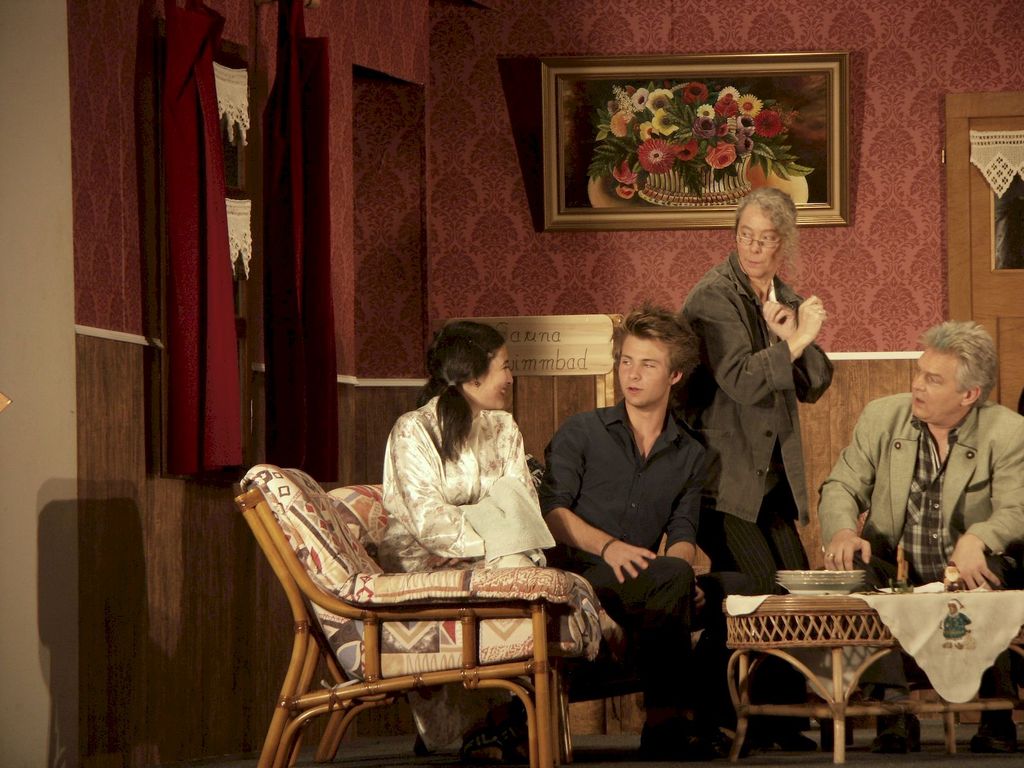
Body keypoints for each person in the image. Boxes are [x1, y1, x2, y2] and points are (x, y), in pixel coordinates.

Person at [539, 304, 742, 761]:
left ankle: (709, 719)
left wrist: (684, 576)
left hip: (650, 579)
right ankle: (665, 723)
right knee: (669, 577)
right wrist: (608, 547)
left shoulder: (689, 452)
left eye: (648, 364)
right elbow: (552, 513)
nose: (631, 374)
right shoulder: (582, 431)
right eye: (626, 361)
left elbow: (683, 531)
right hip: (582, 574)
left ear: (675, 375)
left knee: (741, 589)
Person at [820, 320, 1024, 754]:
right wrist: (842, 530)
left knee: (988, 573)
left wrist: (979, 537)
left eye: (933, 379)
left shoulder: (1007, 431)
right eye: (919, 372)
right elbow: (842, 485)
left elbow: (1016, 508)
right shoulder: (882, 416)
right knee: (852, 571)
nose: (917, 385)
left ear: (969, 394)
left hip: (966, 567)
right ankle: (893, 713)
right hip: (897, 567)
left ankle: (997, 716)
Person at [679, 187, 832, 750]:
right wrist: (796, 341)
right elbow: (742, 380)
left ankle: (779, 720)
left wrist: (796, 339)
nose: (753, 248)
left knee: (794, 590)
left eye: (766, 239)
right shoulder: (712, 297)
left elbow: (817, 382)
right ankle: (701, 707)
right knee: (761, 591)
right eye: (746, 235)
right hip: (722, 480)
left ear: (782, 243)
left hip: (769, 480)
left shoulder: (782, 295)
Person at [380, 320, 554, 760]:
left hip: (495, 553)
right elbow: (428, 520)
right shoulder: (414, 430)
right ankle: (488, 721)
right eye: (504, 367)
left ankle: (510, 711)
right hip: (423, 560)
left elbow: (521, 503)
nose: (511, 378)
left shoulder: (504, 428)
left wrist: (501, 540)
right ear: (472, 376)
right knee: (514, 570)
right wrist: (494, 537)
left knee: (523, 572)